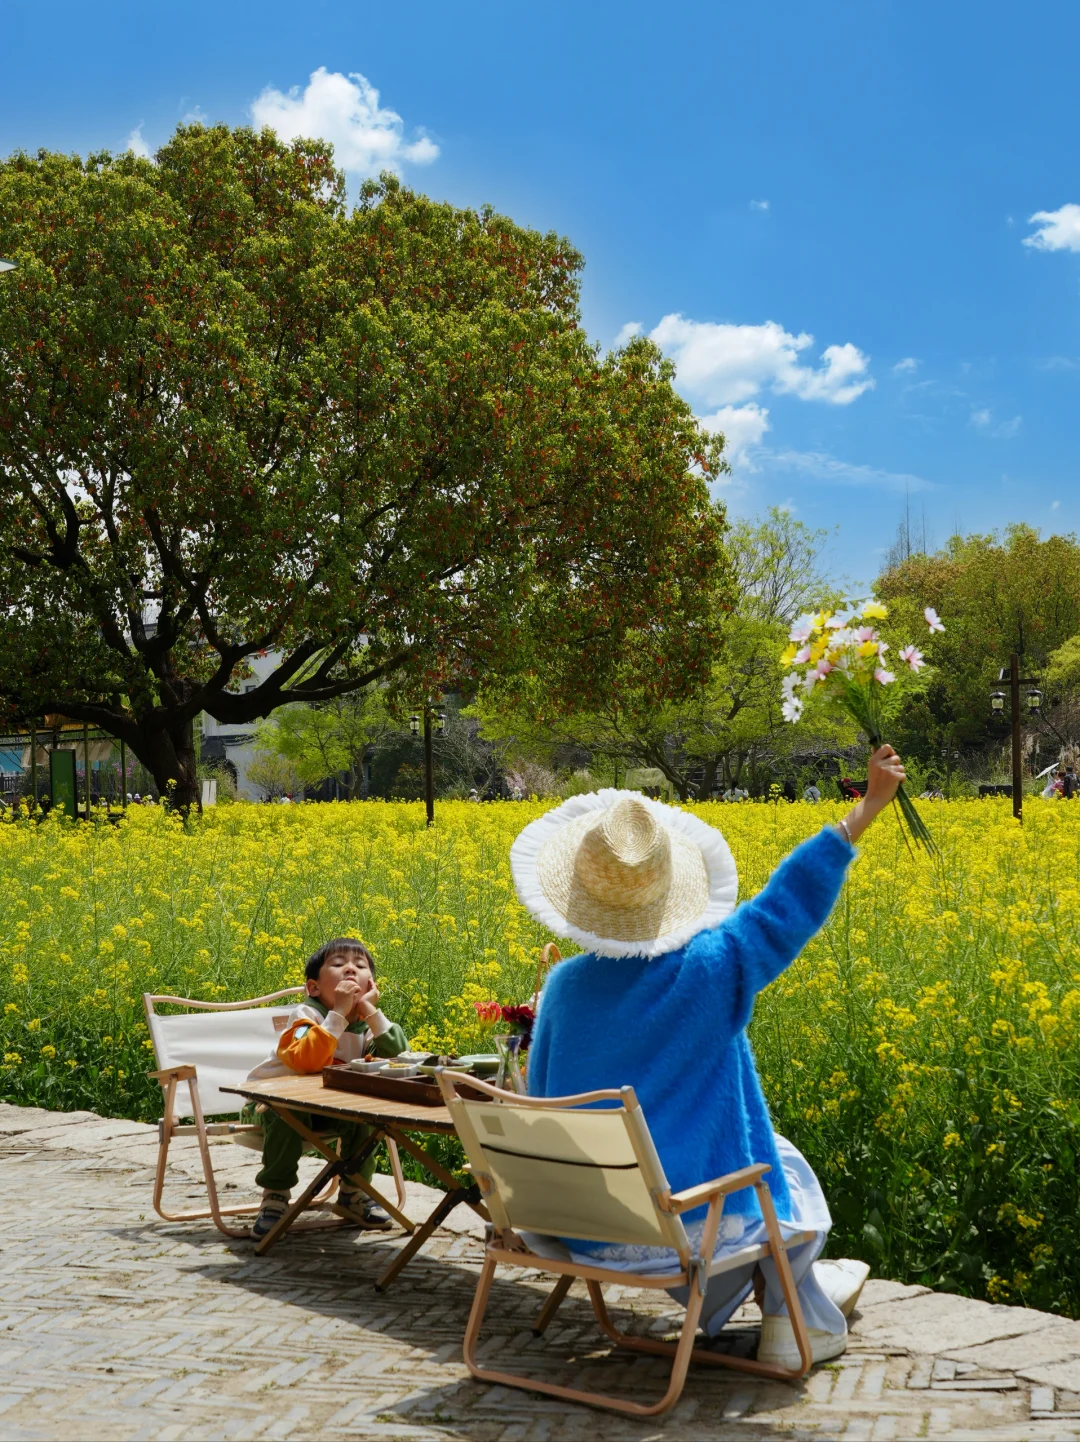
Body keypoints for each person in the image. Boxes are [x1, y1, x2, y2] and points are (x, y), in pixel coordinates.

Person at [511, 745, 908, 1368]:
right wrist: (866, 809)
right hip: (681, 1231)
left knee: (767, 1169)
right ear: (671, 889)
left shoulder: (562, 988)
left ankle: (795, 1302)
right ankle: (791, 1317)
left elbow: (541, 1106)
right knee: (783, 1170)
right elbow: (785, 907)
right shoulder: (713, 967)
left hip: (589, 1227)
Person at [244, 937, 409, 1241]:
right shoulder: (307, 1017)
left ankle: (353, 1192)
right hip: (269, 1107)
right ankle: (275, 1196)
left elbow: (398, 1053)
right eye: (338, 964)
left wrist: (370, 1011)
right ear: (314, 988)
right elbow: (307, 1060)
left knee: (367, 1114)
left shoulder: (363, 1025)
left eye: (360, 967)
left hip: (325, 1111)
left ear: (370, 984)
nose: (350, 970)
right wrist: (338, 1016)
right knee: (286, 1110)